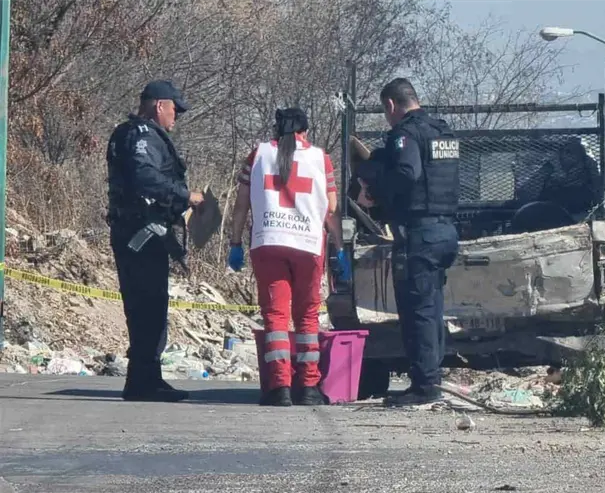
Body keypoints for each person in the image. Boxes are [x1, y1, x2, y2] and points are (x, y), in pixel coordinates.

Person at [228, 107, 351, 407]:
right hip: (308, 245)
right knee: (307, 316)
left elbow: (241, 204)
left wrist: (235, 243)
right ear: (304, 132)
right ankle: (308, 386)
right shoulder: (320, 159)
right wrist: (340, 249)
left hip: (268, 242)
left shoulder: (257, 154)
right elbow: (331, 210)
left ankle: (278, 387)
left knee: (275, 317)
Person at [355, 78, 460, 407]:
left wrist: (375, 189)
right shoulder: (443, 132)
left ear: (391, 105)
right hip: (445, 230)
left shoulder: (406, 134)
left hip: (420, 233)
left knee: (419, 311)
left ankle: (425, 385)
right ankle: (430, 378)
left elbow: (407, 173)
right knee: (432, 308)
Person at [106, 80, 205, 402]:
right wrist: (184, 195)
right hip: (139, 232)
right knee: (147, 306)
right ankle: (142, 382)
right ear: (159, 105)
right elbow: (144, 177)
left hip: (143, 231)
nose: (176, 117)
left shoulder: (136, 134)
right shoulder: (141, 136)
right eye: (175, 110)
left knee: (150, 307)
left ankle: (147, 378)